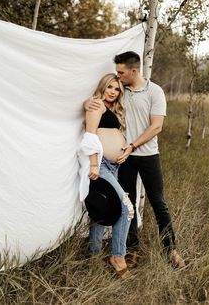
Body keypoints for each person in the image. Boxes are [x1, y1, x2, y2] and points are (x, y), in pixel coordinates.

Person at [86, 52, 185, 269]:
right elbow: (101, 102)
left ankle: (171, 251)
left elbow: (156, 126)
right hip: (124, 160)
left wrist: (132, 145)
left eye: (121, 72)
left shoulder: (155, 91)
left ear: (134, 71)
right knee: (126, 202)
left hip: (148, 155)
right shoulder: (122, 91)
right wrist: (88, 104)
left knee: (159, 203)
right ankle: (131, 250)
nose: (118, 77)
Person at [81, 73, 134, 278]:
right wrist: (94, 163)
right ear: (103, 87)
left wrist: (126, 148)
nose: (113, 92)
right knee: (126, 207)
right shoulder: (97, 105)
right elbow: (91, 135)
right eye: (110, 87)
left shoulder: (111, 108)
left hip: (114, 166)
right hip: (100, 165)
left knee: (102, 205)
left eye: (117, 89)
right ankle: (118, 256)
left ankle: (93, 254)